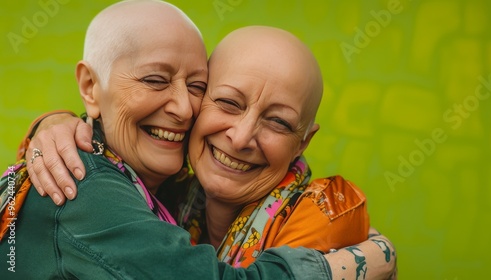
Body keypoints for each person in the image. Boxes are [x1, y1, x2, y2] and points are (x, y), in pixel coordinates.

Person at [16, 16, 397, 280]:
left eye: (278, 122)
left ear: (304, 142)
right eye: (228, 103)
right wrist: (53, 124)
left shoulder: (325, 215)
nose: (241, 137)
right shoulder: (169, 183)